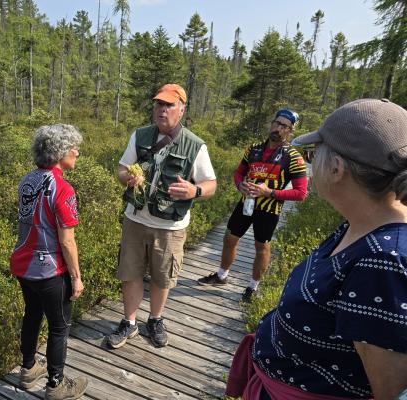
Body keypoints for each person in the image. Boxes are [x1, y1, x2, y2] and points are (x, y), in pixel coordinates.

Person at [225, 98, 407, 400]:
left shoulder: (385, 263)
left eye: (314, 155)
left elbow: (391, 391)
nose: (311, 163)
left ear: (336, 168)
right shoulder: (359, 225)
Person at [107, 83, 217, 349]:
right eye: (159, 104)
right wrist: (128, 178)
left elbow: (211, 184)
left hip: (171, 226)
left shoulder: (195, 146)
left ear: (181, 109)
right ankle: (129, 322)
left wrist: (195, 190)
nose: (162, 110)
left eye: (168, 105)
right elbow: (121, 169)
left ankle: (155, 319)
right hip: (135, 219)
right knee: (130, 272)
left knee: (162, 276)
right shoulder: (140, 135)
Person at [10, 124, 88, 400]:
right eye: (72, 148)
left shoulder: (27, 180)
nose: (77, 152)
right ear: (59, 153)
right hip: (49, 270)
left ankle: (29, 368)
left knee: (32, 314)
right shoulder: (64, 189)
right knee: (59, 326)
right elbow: (67, 241)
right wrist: (76, 277)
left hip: (23, 265)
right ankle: (56, 385)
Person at [197, 108, 308, 303]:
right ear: (271, 123)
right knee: (230, 238)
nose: (278, 128)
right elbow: (239, 173)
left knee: (261, 247)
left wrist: (270, 192)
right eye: (277, 123)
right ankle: (222, 275)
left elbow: (301, 193)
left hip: (269, 209)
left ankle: (252, 287)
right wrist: (240, 186)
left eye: (284, 126)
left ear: (290, 132)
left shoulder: (293, 157)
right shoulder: (254, 149)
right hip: (245, 204)